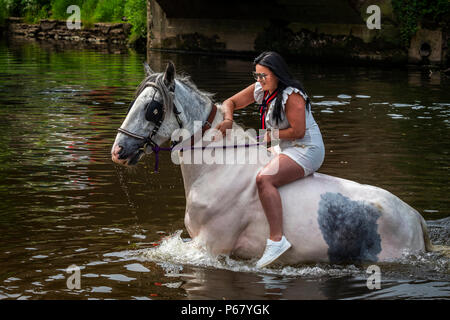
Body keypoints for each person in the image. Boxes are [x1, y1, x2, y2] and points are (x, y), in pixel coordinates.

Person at [216, 51, 325, 268]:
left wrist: (267, 136)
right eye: (256, 76)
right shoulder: (262, 88)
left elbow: (298, 131)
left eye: (263, 76)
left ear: (276, 74)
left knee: (265, 179)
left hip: (306, 148)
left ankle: (277, 240)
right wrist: (228, 119)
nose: (259, 80)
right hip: (282, 146)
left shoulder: (292, 95)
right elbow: (230, 102)